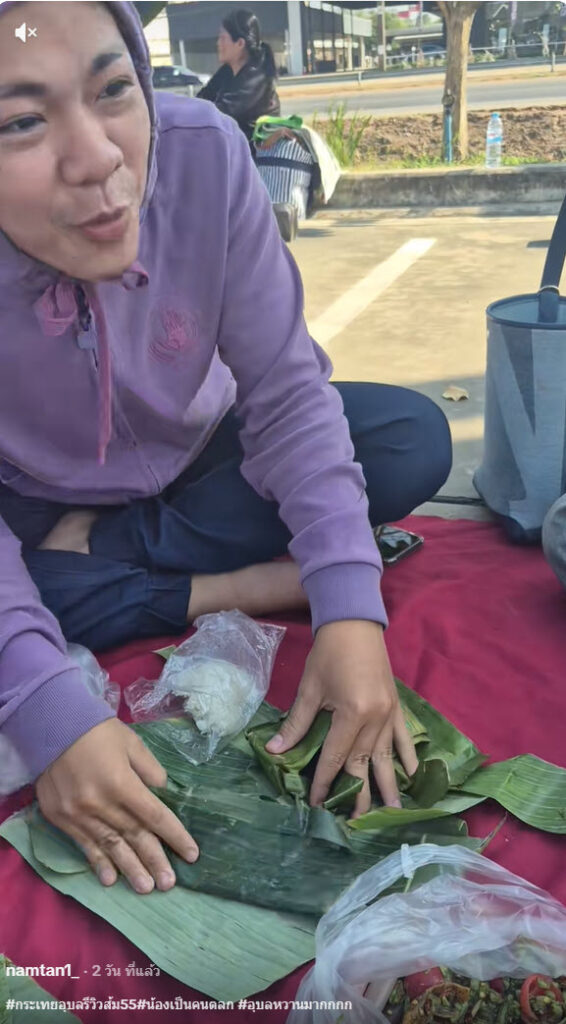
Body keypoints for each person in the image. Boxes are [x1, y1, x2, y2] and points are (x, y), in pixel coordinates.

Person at [0, 1, 451, 897]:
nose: (98, 159)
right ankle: (227, 584)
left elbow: (285, 389)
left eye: (112, 89)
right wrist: (48, 714)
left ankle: (117, 553)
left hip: (204, 453)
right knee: (29, 599)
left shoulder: (204, 154)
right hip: (35, 495)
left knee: (407, 440)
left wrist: (349, 611)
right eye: (19, 122)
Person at [197, 9, 280, 144]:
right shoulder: (227, 71)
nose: (218, 43)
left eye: (223, 38)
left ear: (240, 43)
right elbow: (202, 98)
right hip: (234, 146)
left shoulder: (256, 77)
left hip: (254, 151)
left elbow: (220, 114)